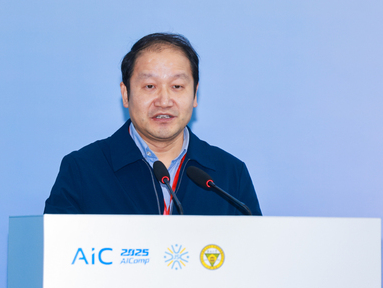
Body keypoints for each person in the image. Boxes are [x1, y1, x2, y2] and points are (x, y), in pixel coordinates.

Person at [44, 33, 261, 215]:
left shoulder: (229, 175)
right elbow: (56, 250)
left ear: (195, 94)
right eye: (149, 86)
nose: (164, 101)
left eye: (177, 86)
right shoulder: (82, 170)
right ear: (126, 94)